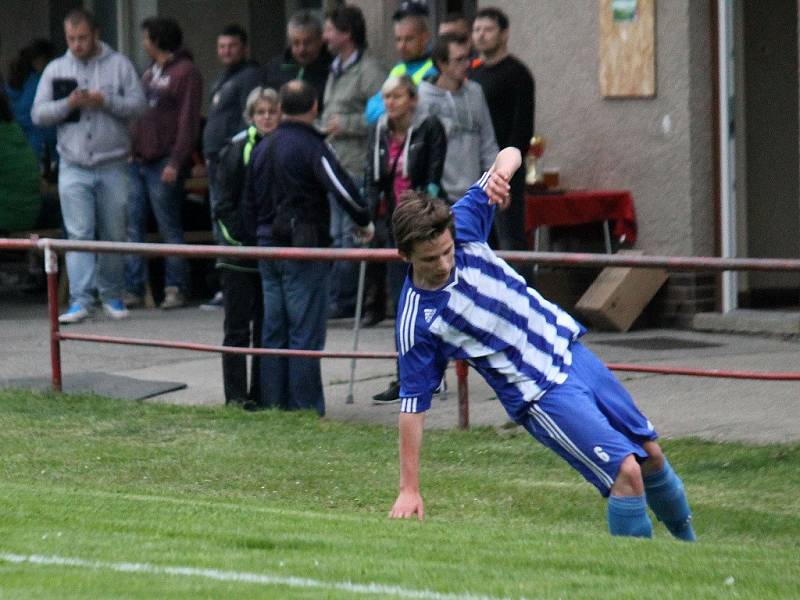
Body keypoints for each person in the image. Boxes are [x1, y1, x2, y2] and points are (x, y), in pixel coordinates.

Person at [387, 147, 697, 542]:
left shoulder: (463, 222)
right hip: (538, 392)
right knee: (626, 474)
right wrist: (409, 488)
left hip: (569, 351)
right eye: (430, 259)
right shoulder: (417, 320)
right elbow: (413, 406)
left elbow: (512, 152)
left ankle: (691, 554)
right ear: (404, 255)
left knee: (651, 455)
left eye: (447, 252)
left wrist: (502, 171)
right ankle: (639, 577)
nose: (445, 264)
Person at [244, 79, 374, 416]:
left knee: (275, 330)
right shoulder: (312, 146)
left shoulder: (262, 147)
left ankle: (276, 404)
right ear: (315, 106)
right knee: (304, 332)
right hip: (304, 249)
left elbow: (250, 201)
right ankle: (304, 408)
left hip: (266, 248)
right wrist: (364, 219)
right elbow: (342, 187)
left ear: (282, 108)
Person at [31, 7, 146, 324]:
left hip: (113, 163)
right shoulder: (56, 68)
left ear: (96, 34)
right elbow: (37, 114)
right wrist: (68, 103)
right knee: (78, 232)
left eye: (82, 38)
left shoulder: (120, 65)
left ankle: (112, 295)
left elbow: (139, 106)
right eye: (71, 39)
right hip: (73, 162)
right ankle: (81, 300)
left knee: (112, 232)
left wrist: (105, 101)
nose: (77, 45)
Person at [126, 17, 203, 310]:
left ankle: (176, 287)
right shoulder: (149, 73)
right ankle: (134, 288)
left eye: (146, 38)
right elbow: (139, 116)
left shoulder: (186, 73)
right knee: (133, 226)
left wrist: (176, 160)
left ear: (157, 39)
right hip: (139, 160)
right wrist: (132, 148)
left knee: (169, 226)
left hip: (164, 162)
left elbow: (188, 121)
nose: (144, 43)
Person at [211, 87, 280, 409]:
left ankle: (262, 393)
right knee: (237, 328)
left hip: (268, 254)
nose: (267, 117)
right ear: (251, 116)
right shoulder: (236, 149)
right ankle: (236, 396)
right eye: (261, 112)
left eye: (272, 111)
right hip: (238, 255)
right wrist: (240, 243)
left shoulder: (282, 146)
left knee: (265, 328)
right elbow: (222, 205)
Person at [363, 75, 446, 329]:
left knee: (423, 276)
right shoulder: (379, 129)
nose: (390, 102)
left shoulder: (429, 126)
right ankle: (404, 327)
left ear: (413, 99)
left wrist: (425, 210)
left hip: (419, 214)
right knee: (398, 278)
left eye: (397, 96)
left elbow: (434, 171)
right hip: (390, 214)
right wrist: (366, 216)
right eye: (386, 97)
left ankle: (425, 326)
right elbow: (372, 176)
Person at [320, 4, 385, 320]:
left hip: (357, 165)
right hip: (336, 163)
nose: (324, 35)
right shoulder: (335, 67)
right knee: (336, 235)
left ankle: (347, 300)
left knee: (351, 236)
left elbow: (383, 115)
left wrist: (345, 124)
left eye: (330, 29)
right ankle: (340, 296)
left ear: (346, 33)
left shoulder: (369, 72)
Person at [201, 23, 260, 310]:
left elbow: (248, 119)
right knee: (219, 223)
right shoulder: (223, 77)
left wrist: (230, 151)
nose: (226, 51)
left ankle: (234, 286)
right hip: (217, 162)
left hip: (232, 164)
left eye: (232, 46)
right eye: (222, 46)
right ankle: (225, 285)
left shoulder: (249, 76)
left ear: (244, 47)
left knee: (230, 224)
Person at [470, 7, 535, 265]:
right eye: (476, 30)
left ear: (504, 33)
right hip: (475, 173)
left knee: (510, 244)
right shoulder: (471, 75)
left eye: (488, 29)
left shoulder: (517, 74)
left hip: (505, 175)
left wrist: (504, 171)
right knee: (479, 242)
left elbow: (522, 131)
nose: (481, 35)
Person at [417, 33, 498, 203]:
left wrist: (496, 182)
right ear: (441, 63)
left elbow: (488, 143)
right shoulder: (423, 98)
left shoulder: (475, 92)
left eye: (467, 58)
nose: (467, 64)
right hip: (438, 196)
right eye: (459, 60)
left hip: (475, 194)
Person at [365, 0, 437, 125]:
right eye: (398, 39)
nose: (401, 46)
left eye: (409, 39)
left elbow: (415, 109)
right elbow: (370, 112)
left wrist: (389, 105)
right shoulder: (399, 68)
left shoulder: (435, 69)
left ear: (425, 38)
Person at [259, 11, 331, 112]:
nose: (302, 49)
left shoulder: (332, 68)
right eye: (296, 43)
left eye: (307, 43)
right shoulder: (274, 67)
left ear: (320, 40)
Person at [4, 39, 57, 165]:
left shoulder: (18, 80)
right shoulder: (38, 83)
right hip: (38, 149)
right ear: (43, 60)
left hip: (17, 148)